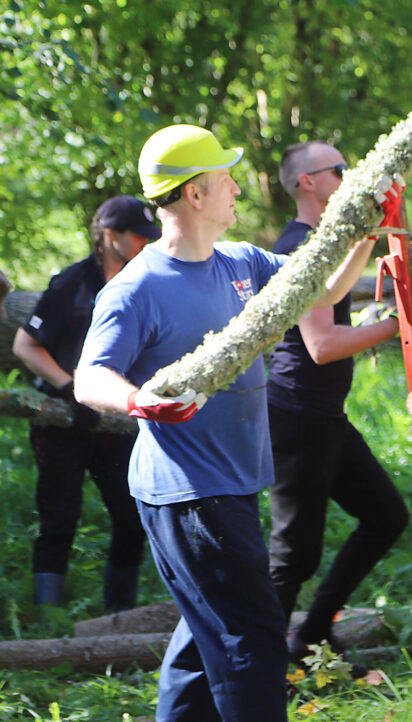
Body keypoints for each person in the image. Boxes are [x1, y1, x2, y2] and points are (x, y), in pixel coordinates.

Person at [74, 124, 392, 721]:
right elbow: (90, 378)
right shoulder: (136, 288)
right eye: (225, 179)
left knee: (201, 644)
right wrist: (140, 401)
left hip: (232, 483)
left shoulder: (242, 261)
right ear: (195, 195)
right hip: (191, 495)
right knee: (252, 640)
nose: (238, 190)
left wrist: (367, 232)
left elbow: (319, 293)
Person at [267, 140, 409, 665]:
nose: (348, 178)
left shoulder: (322, 242)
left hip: (324, 416)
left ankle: (313, 631)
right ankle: (264, 663)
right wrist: (399, 326)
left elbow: (337, 302)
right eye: (339, 171)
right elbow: (322, 346)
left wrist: (371, 235)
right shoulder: (297, 248)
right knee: (293, 555)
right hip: (298, 414)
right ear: (307, 182)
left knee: (385, 515)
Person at [13, 195, 159, 612]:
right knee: (59, 518)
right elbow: (25, 344)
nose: (146, 244)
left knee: (132, 519)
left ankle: (120, 615)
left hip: (114, 420)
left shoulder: (143, 282)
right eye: (138, 237)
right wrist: (65, 388)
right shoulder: (71, 284)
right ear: (109, 235)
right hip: (63, 420)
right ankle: (48, 624)